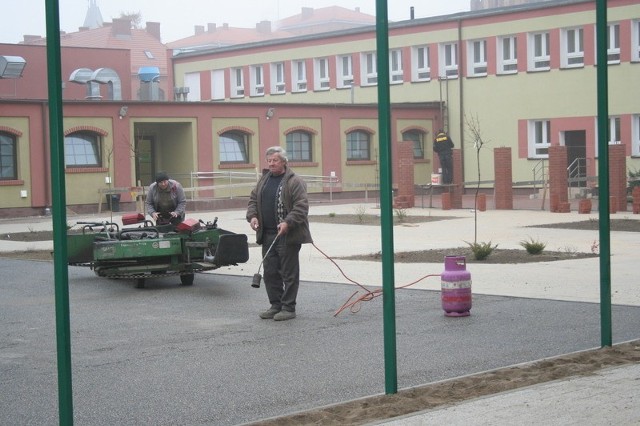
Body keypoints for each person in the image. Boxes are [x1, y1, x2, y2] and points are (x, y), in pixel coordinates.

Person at [246, 146, 313, 321]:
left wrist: (287, 222)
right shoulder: (264, 180)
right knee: (270, 272)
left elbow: (302, 206)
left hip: (287, 236)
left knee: (288, 273)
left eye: (275, 160)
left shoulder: (294, 181)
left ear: (284, 161)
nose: (271, 164)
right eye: (269, 161)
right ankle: (275, 305)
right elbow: (253, 200)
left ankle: (288, 308)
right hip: (267, 234)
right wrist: (252, 216)